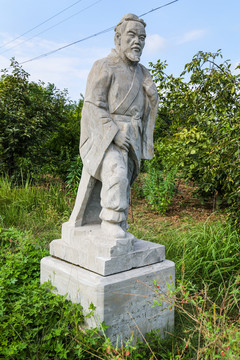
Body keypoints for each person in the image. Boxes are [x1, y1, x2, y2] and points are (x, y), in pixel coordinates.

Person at [69, 13, 158, 239]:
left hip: (132, 135)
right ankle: (110, 220)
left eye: (142, 37)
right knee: (116, 172)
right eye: (131, 35)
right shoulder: (103, 66)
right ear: (118, 38)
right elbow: (92, 105)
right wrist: (114, 133)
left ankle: (120, 223)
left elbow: (145, 109)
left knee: (125, 180)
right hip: (107, 135)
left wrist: (152, 100)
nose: (137, 41)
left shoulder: (143, 73)